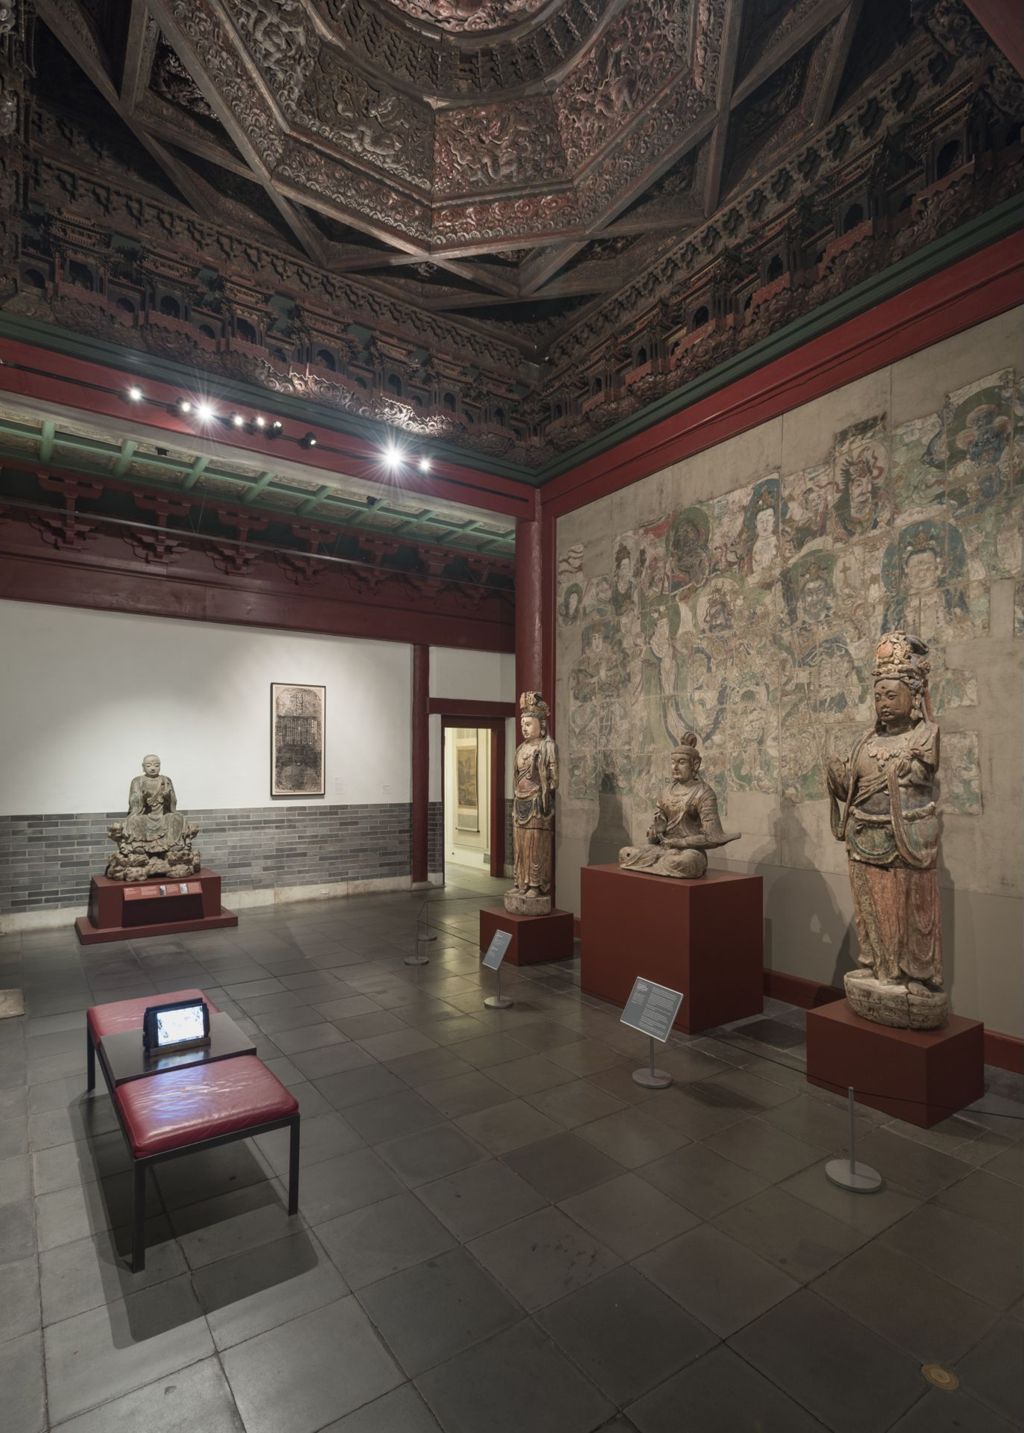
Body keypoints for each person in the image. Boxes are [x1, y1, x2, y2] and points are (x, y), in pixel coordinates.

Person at [827, 631, 946, 1026]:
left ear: (913, 697)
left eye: (892, 695)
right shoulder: (866, 741)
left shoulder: (924, 735)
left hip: (906, 838)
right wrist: (837, 777)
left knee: (910, 910)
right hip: (864, 836)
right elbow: (854, 790)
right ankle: (878, 966)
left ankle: (915, 974)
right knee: (870, 910)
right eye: (878, 695)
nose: (883, 702)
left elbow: (919, 776)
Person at [619, 732, 739, 878]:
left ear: (695, 764)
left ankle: (659, 864)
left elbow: (712, 837)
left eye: (681, 762)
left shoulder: (704, 793)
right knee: (625, 853)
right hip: (664, 848)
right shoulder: (666, 792)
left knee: (682, 862)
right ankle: (659, 864)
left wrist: (681, 843)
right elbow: (655, 839)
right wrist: (656, 832)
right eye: (672, 762)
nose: (675, 767)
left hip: (690, 851)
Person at [505, 692, 559, 911]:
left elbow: (554, 779)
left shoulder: (547, 747)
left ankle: (535, 884)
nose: (524, 728)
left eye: (529, 724)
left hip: (537, 802)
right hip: (520, 802)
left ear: (541, 724)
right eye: (522, 725)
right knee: (519, 846)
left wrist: (543, 779)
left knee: (535, 846)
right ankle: (521, 881)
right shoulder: (521, 748)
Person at [125, 754, 185, 848]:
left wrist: (167, 796)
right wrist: (142, 797)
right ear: (143, 767)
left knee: (177, 817)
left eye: (156, 765)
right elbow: (133, 801)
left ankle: (172, 844)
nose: (153, 768)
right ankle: (139, 845)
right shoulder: (137, 781)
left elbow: (173, 802)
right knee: (134, 820)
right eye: (148, 766)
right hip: (145, 814)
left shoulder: (166, 780)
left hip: (162, 814)